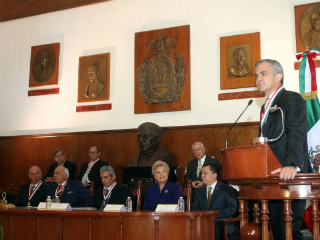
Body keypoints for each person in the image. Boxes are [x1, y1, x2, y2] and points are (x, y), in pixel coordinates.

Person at [255, 59, 312, 240]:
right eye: (257, 75)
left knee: (290, 231)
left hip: (289, 174)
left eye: (263, 74)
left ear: (278, 76)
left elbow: (296, 133)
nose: (258, 78)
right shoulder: (265, 106)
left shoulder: (291, 98)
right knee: (278, 231)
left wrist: (292, 164)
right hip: (272, 176)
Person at [191, 163, 237, 240]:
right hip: (203, 222)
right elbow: (194, 209)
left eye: (205, 173)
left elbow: (232, 208)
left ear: (214, 175)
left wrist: (213, 216)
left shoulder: (226, 189)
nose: (202, 176)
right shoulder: (199, 192)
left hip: (221, 222)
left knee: (212, 225)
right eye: (201, 173)